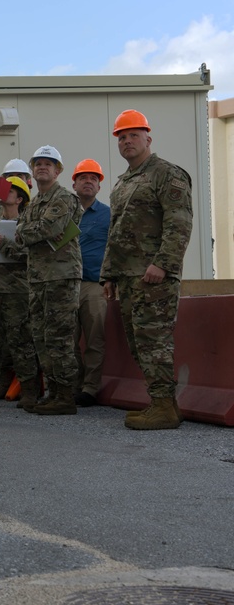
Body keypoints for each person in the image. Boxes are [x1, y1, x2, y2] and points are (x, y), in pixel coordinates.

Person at [101, 109, 193, 430]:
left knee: (154, 340)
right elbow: (116, 232)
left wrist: (163, 264)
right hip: (127, 278)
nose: (127, 141)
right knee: (140, 342)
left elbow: (179, 223)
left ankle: (165, 408)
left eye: (133, 135)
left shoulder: (167, 174)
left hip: (154, 276)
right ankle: (162, 403)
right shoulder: (123, 183)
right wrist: (109, 275)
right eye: (122, 137)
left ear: (148, 139)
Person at [14, 145, 82, 415]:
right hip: (39, 278)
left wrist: (24, 231)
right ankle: (53, 392)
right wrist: (27, 232)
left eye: (48, 163)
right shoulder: (36, 204)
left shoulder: (63, 198)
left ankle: (65, 395)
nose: (42, 167)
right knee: (41, 337)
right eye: (38, 163)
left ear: (58, 170)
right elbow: (29, 234)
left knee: (59, 337)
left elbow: (48, 228)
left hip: (61, 277)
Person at [0, 177, 39, 408]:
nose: (5, 194)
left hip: (16, 291)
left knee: (21, 341)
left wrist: (4, 244)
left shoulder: (28, 223)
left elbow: (30, 256)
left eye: (10, 191)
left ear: (19, 199)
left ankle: (30, 391)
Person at [71, 159, 110, 407]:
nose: (89, 181)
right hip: (67, 284)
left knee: (95, 338)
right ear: (73, 183)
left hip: (95, 284)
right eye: (83, 177)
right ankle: (75, 384)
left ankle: (90, 389)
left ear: (98, 186)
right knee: (67, 339)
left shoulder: (108, 214)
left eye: (93, 178)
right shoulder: (65, 212)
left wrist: (111, 279)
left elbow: (116, 248)